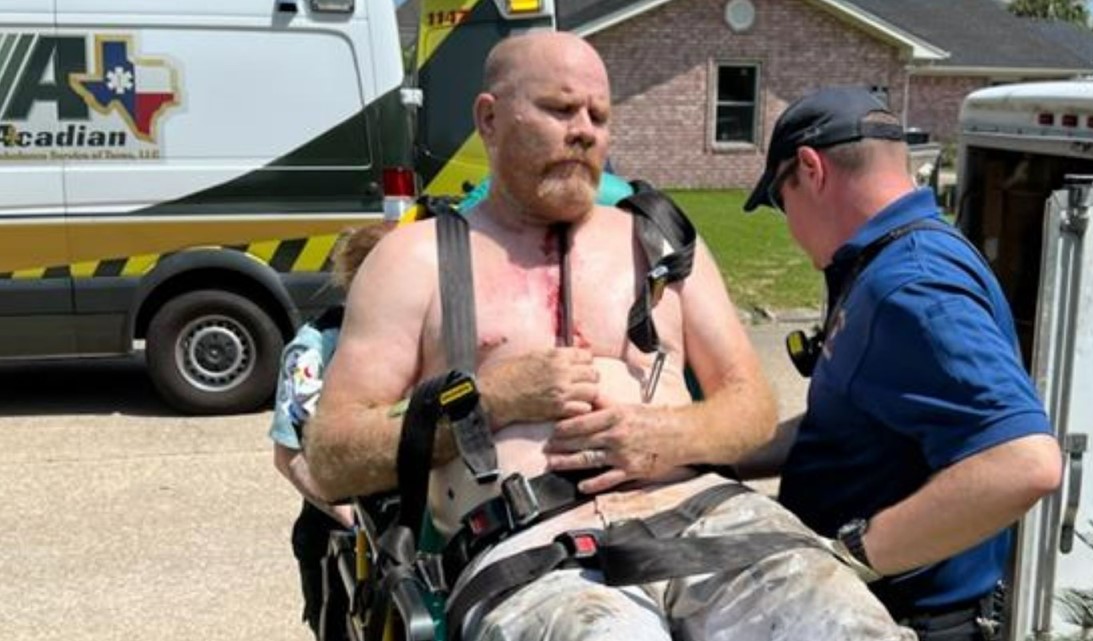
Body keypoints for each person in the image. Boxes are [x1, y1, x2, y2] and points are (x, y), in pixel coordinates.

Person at [305, 33, 914, 640]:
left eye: (599, 115)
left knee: (850, 626)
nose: (584, 130)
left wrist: (670, 434)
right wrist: (491, 402)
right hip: (535, 555)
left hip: (712, 524)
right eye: (560, 109)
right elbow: (332, 458)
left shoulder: (661, 242)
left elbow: (751, 405)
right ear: (489, 118)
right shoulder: (415, 261)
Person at [742, 86, 1063, 640]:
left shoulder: (909, 285)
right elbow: (847, 426)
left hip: (904, 620)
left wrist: (852, 554)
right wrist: (716, 455)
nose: (790, 227)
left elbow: (1025, 462)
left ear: (811, 169)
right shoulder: (892, 259)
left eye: (781, 200)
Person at [268, 221, 393, 641]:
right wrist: (351, 517)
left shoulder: (428, 336)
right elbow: (289, 456)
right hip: (339, 533)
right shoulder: (314, 350)